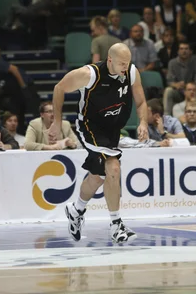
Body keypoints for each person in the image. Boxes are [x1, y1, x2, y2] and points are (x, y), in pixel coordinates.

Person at [50, 43, 149, 244]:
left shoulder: (131, 72)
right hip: (90, 126)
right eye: (121, 63)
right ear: (110, 60)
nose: (125, 67)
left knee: (98, 176)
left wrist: (143, 122)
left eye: (128, 62)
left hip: (112, 130)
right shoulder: (89, 74)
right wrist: (57, 122)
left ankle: (76, 209)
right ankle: (116, 224)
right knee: (113, 166)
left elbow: (140, 101)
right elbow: (59, 87)